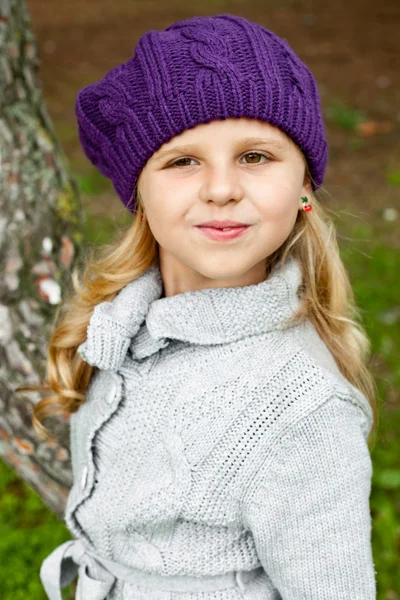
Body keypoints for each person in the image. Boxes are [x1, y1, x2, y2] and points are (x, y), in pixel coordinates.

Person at [34, 13, 378, 600]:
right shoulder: (123, 324)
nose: (221, 188)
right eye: (182, 161)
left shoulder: (301, 412)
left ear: (303, 187)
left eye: (254, 156)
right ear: (139, 195)